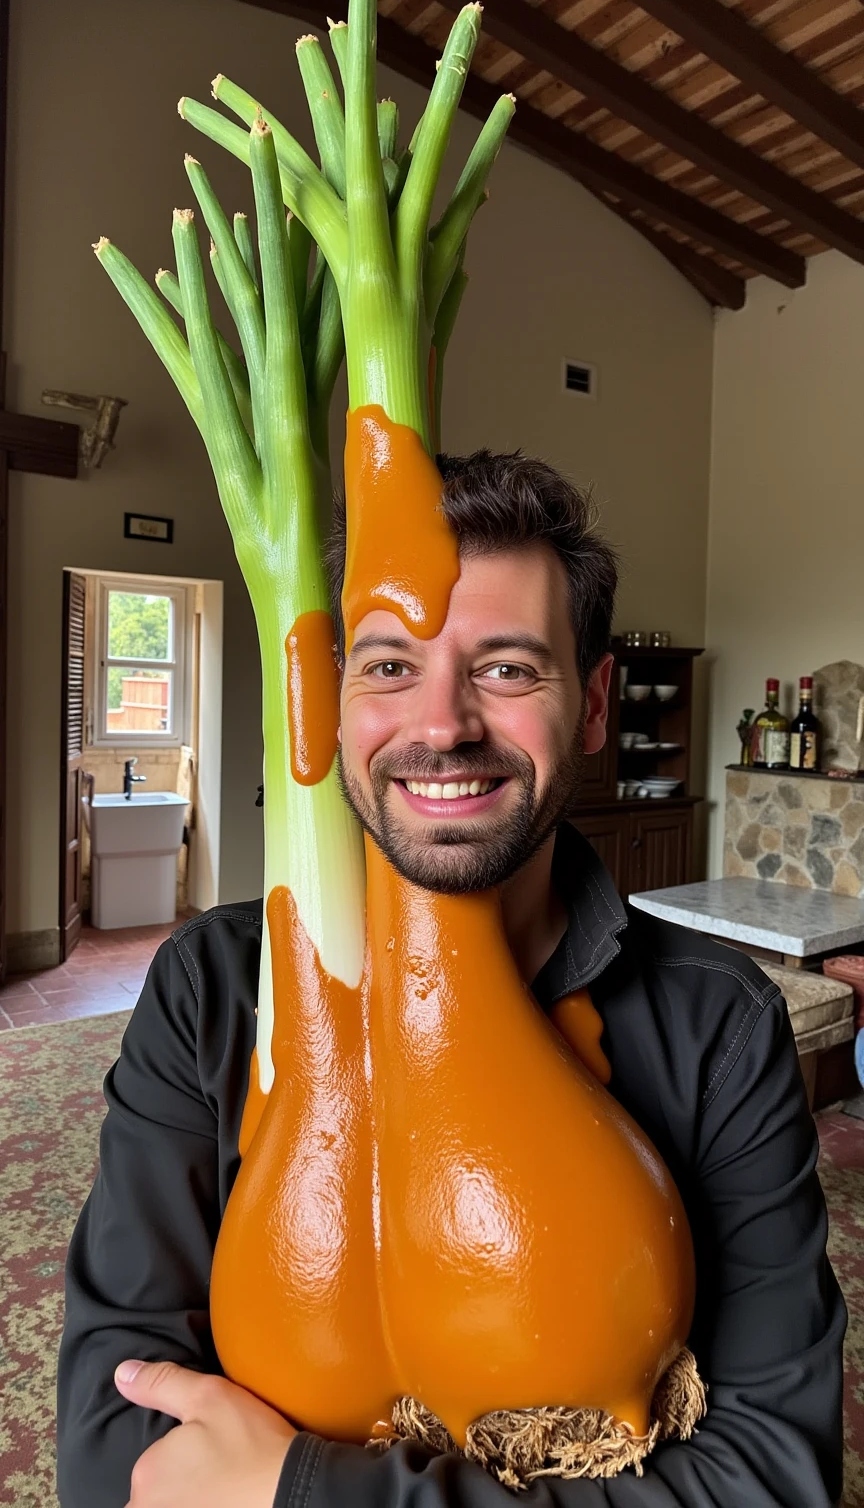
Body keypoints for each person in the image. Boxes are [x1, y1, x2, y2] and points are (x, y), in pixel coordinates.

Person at [56, 450, 846, 1508]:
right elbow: (117, 1447)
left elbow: (773, 1479)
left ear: (598, 703)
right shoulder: (210, 985)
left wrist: (303, 1493)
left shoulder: (724, 1024)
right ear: (334, 704)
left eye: (508, 667)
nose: (441, 725)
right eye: (387, 666)